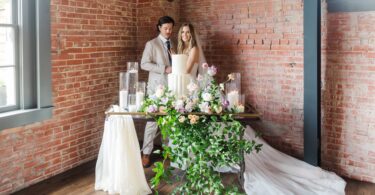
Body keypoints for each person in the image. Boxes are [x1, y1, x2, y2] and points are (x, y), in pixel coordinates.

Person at [140, 16, 175, 168]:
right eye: (166, 28)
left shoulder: (173, 43)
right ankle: (146, 153)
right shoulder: (151, 44)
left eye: (171, 28)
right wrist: (164, 69)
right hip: (155, 88)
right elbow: (144, 64)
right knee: (152, 122)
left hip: (172, 88)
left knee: (168, 120)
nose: (169, 31)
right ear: (159, 28)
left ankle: (167, 151)